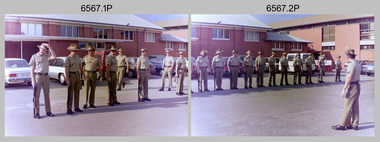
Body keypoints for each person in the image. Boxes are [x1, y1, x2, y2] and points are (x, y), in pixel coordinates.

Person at [332, 49, 361, 131]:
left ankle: (342, 124)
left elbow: (349, 77)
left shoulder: (351, 65)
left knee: (347, 106)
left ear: (347, 56)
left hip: (352, 86)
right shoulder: (357, 64)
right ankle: (355, 124)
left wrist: (344, 89)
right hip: (357, 85)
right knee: (355, 106)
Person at [29, 43, 56, 119]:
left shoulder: (47, 56)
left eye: (45, 50)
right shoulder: (34, 56)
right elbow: (32, 69)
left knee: (47, 94)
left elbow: (54, 56)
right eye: (42, 49)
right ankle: (37, 112)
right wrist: (33, 80)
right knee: (36, 95)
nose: (43, 51)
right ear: (39, 49)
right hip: (38, 76)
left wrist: (49, 47)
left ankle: (48, 111)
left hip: (46, 76)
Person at [65, 44, 86, 114]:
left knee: (77, 92)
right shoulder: (68, 58)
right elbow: (66, 69)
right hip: (71, 75)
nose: (75, 51)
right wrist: (67, 79)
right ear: (71, 51)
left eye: (76, 50)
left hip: (77, 75)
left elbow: (80, 66)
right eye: (74, 50)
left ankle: (76, 106)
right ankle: (69, 108)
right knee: (70, 92)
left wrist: (84, 74)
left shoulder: (77, 57)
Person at [82, 45, 102, 109]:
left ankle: (91, 103)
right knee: (86, 89)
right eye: (89, 50)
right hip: (86, 73)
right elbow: (81, 66)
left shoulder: (97, 58)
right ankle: (85, 103)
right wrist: (82, 74)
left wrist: (101, 76)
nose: (90, 51)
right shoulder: (85, 58)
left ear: (94, 51)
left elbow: (100, 67)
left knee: (93, 89)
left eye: (91, 50)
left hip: (94, 74)